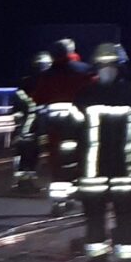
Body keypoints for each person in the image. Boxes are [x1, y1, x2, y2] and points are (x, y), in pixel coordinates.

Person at [71, 42, 131, 262]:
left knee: (121, 222)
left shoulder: (91, 95)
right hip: (107, 173)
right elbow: (72, 136)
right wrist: (70, 173)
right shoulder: (126, 94)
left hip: (112, 173)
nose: (106, 70)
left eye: (110, 65)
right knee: (101, 223)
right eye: (103, 65)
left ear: (119, 67)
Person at [27, 40, 94, 210]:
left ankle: (59, 200)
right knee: (81, 157)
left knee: (57, 160)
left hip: (54, 124)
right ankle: (77, 193)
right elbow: (92, 93)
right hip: (79, 122)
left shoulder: (47, 75)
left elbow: (38, 99)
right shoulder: (84, 70)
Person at [12, 50, 53, 193]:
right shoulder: (34, 83)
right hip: (30, 128)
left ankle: (26, 182)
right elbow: (26, 104)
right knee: (28, 155)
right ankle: (23, 183)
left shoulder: (37, 82)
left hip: (33, 127)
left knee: (32, 155)